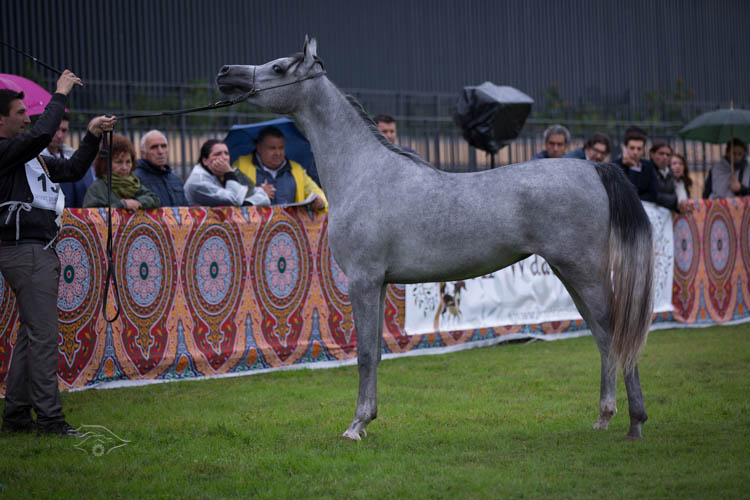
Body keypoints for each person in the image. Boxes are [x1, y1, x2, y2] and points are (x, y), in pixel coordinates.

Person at [0, 70, 116, 436]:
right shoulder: (6, 151)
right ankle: (50, 420)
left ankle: (17, 416)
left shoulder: (28, 157)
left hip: (36, 251)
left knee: (31, 336)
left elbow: (74, 168)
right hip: (26, 252)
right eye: (20, 112)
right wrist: (60, 93)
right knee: (45, 338)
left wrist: (92, 135)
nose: (26, 117)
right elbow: (40, 135)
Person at [233, 126, 327, 211]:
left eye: (281, 147)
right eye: (272, 148)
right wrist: (256, 193)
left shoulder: (296, 169)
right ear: (259, 148)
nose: (278, 153)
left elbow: (316, 192)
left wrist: (321, 202)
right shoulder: (241, 165)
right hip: (253, 224)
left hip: (291, 224)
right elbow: (231, 195)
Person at [83, 134, 161, 210]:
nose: (124, 167)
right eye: (119, 162)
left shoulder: (133, 183)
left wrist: (138, 202)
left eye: (128, 162)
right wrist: (122, 205)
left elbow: (155, 199)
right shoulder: (97, 188)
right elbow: (91, 214)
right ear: (106, 164)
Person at [184, 139, 270, 207]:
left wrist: (246, 203)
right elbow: (235, 200)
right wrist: (229, 174)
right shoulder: (198, 181)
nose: (224, 158)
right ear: (205, 161)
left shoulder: (228, 172)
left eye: (226, 153)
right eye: (218, 154)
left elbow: (264, 197)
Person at [46, 113, 96, 208]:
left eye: (64, 130)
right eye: (56, 129)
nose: (59, 135)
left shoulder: (72, 157)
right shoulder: (35, 159)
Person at [134, 129, 188, 206]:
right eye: (154, 147)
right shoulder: (135, 178)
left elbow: (185, 208)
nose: (160, 151)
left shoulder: (174, 178)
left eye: (163, 146)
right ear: (143, 153)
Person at [649, 141, 693, 214]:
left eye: (681, 164)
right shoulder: (660, 177)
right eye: (674, 163)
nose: (678, 166)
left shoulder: (683, 183)